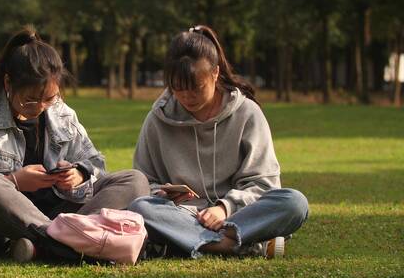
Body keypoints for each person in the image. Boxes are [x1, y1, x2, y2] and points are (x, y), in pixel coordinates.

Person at [0, 26, 149, 262]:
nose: (40, 107)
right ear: (7, 83)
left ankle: (45, 245)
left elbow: (95, 163)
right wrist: (13, 181)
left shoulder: (60, 112)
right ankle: (70, 244)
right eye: (29, 100)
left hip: (50, 216)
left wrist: (79, 174)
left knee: (134, 180)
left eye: (49, 98)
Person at [128, 25, 309, 259]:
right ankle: (238, 244)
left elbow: (265, 183)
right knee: (140, 208)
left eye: (196, 88)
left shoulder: (247, 113)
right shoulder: (157, 119)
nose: (186, 97)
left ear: (215, 73)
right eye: (178, 89)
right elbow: (143, 183)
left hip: (238, 214)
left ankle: (198, 243)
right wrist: (164, 194)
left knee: (294, 202)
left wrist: (225, 207)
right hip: (184, 216)